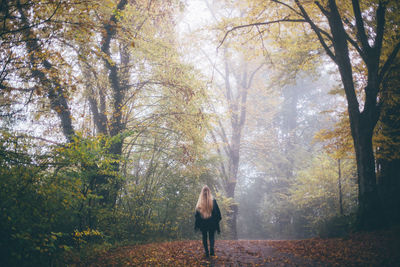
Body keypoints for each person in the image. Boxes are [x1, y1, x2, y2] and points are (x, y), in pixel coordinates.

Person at [194, 185, 222, 258]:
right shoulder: (213, 201)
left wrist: (197, 225)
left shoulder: (199, 202)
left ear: (202, 192)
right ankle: (212, 251)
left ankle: (206, 252)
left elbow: (197, 215)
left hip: (203, 223)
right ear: (209, 192)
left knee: (204, 237)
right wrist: (216, 222)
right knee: (211, 236)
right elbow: (218, 214)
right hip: (212, 222)